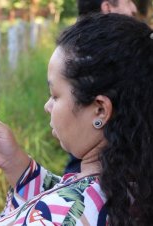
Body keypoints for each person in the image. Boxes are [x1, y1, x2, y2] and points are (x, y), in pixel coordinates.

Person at [0, 14, 153, 226]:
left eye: (55, 95)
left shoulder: (59, 216)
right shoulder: (131, 185)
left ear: (100, 110)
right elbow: (73, 201)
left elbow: (60, 213)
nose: (47, 106)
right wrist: (15, 164)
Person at [64, 0, 138, 174]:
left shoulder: (78, 51)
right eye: (128, 1)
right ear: (108, 8)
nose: (134, 8)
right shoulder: (107, 62)